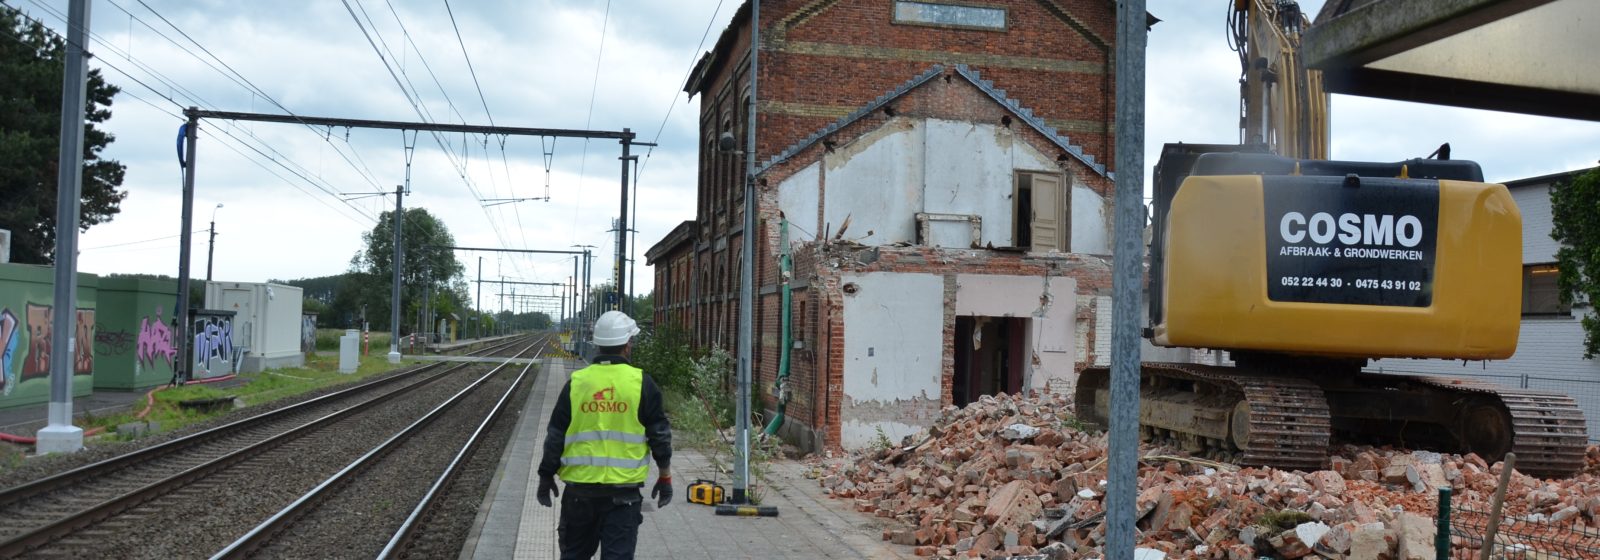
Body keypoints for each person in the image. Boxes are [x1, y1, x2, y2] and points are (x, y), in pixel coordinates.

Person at [536, 310, 672, 560]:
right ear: (628, 345)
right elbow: (660, 437)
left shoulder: (577, 382)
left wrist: (546, 476)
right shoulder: (642, 383)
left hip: (579, 494)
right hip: (624, 496)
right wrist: (665, 477)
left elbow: (555, 435)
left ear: (597, 344)